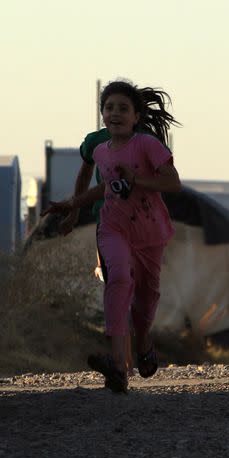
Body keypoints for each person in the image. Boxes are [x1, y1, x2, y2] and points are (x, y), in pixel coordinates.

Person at [41, 79, 182, 392]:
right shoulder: (100, 148)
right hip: (112, 227)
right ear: (101, 113)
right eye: (109, 108)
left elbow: (173, 183)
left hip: (149, 232)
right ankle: (118, 366)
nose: (114, 113)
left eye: (122, 108)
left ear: (135, 116)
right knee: (117, 279)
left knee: (145, 303)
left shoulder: (147, 144)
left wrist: (139, 180)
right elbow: (105, 186)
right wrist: (72, 205)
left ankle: (143, 343)